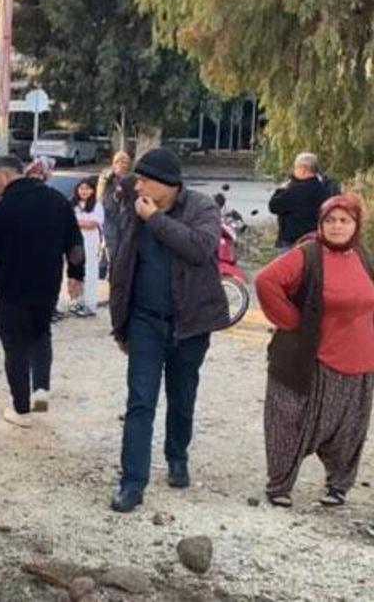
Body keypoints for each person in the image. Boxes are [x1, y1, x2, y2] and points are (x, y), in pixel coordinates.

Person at [108, 147, 230, 512]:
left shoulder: (201, 207)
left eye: (144, 179)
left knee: (182, 395)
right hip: (145, 320)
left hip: (190, 322)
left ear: (168, 184)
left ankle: (177, 456)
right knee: (140, 401)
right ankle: (132, 483)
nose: (138, 184)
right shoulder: (133, 206)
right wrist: (121, 325)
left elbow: (200, 248)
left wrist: (155, 220)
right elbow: (122, 265)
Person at [255, 194, 374, 508]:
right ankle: (280, 485)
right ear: (321, 224)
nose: (337, 227)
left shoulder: (362, 255)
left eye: (344, 221)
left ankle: (338, 486)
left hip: (359, 358)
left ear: (356, 225)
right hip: (313, 360)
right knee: (290, 420)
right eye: (330, 221)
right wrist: (292, 320)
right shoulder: (308, 254)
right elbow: (267, 281)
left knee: (349, 427)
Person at [0, 156, 85, 427]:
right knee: (41, 335)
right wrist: (76, 275)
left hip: (11, 288)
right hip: (46, 286)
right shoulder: (57, 200)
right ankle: (41, 394)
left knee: (15, 346)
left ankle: (21, 408)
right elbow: (74, 242)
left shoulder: (1, 206)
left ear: (5, 175)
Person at [269, 152, 336, 250]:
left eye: (296, 168)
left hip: (293, 242)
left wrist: (281, 189)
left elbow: (273, 206)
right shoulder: (323, 188)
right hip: (316, 240)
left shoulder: (295, 190)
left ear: (303, 169)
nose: (294, 171)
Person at [67, 178, 105, 318]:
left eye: (87, 188)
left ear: (92, 190)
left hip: (90, 243)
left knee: (89, 272)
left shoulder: (97, 205)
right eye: (81, 188)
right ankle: (76, 301)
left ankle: (89, 305)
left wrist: (76, 222)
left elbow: (93, 223)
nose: (84, 191)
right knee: (75, 272)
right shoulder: (72, 204)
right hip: (74, 243)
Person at [97, 151, 132, 264]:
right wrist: (114, 173)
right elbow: (105, 179)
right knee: (110, 240)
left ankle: (103, 264)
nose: (123, 165)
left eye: (126, 163)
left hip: (122, 213)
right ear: (115, 162)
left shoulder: (128, 177)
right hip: (108, 211)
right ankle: (109, 266)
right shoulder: (108, 173)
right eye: (121, 162)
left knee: (115, 240)